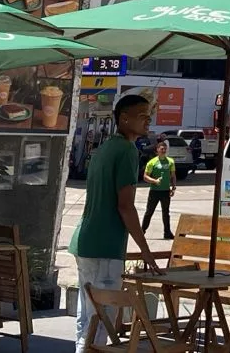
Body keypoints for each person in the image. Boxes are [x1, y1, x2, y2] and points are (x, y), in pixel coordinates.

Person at [71, 94, 162, 352]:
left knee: (87, 316)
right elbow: (125, 206)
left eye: (149, 114)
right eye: (142, 115)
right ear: (124, 119)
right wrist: (146, 251)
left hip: (85, 241)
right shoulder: (126, 150)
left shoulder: (104, 148)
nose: (148, 119)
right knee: (102, 321)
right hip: (105, 244)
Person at [141, 140, 177, 241]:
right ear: (157, 150)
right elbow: (145, 177)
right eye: (162, 149)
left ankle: (167, 232)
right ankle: (142, 231)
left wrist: (173, 187)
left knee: (166, 212)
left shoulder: (170, 161)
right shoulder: (152, 162)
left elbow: (173, 175)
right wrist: (154, 181)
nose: (164, 150)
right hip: (154, 191)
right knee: (149, 212)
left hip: (165, 191)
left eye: (165, 149)